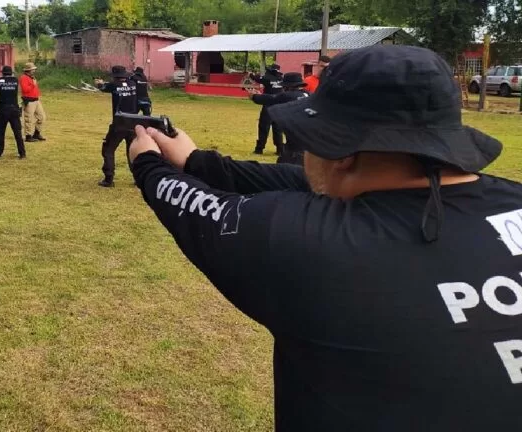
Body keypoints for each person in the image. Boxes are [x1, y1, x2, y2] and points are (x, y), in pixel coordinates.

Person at [127, 45, 521, 430]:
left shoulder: (307, 241)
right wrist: (199, 162)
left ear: (341, 150)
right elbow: (312, 183)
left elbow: (196, 205)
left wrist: (146, 163)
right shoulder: (508, 197)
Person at [248, 72, 310, 165]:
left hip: (296, 144)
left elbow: (272, 99)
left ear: (288, 86)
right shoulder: (309, 94)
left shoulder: (288, 95)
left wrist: (254, 96)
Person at [94, 65, 139, 188]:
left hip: (119, 124)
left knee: (108, 150)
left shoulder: (114, 85)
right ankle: (138, 178)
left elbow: (103, 87)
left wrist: (99, 83)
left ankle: (109, 179)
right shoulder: (133, 84)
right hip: (133, 123)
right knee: (133, 152)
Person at [248, 65, 284, 155]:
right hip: (279, 106)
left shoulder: (267, 78)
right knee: (278, 129)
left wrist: (251, 74)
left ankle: (259, 149)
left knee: (264, 127)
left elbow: (257, 78)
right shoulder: (281, 79)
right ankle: (280, 149)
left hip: (268, 104)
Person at [0, 65, 26, 159]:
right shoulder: (15, 80)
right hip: (14, 109)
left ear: (3, 73)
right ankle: (22, 153)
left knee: (0, 131)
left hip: (3, 109)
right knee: (17, 132)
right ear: (11, 73)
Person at [20, 62, 46, 143]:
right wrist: (33, 85)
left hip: (36, 100)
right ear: (28, 70)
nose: (34, 70)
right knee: (29, 119)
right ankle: (28, 136)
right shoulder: (23, 78)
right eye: (33, 69)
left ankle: (36, 134)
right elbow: (25, 90)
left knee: (42, 117)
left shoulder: (32, 77)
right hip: (29, 100)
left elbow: (34, 89)